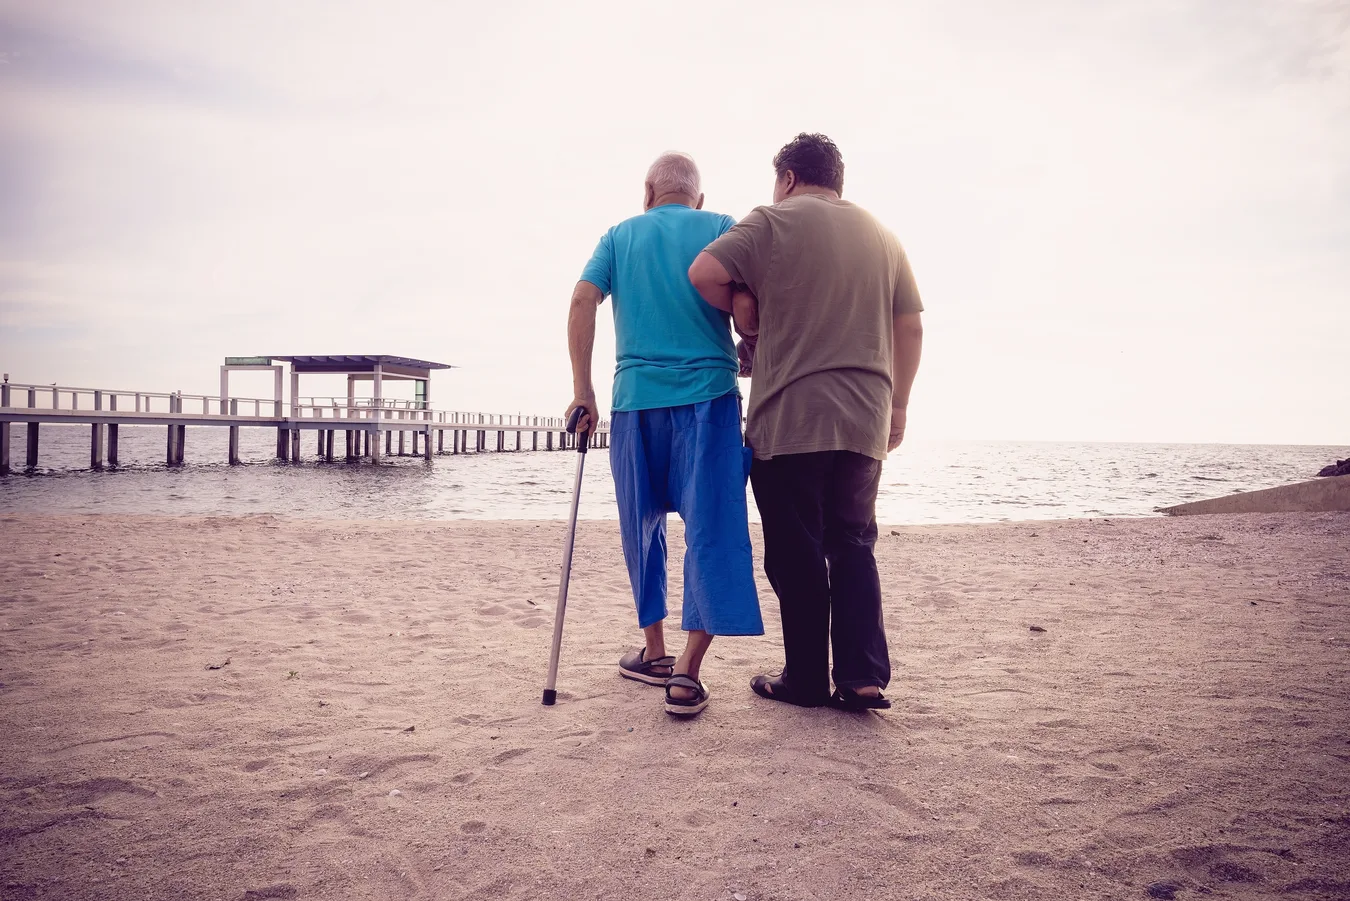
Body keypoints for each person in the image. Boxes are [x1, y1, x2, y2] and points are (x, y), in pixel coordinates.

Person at [688, 133, 924, 711]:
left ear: (788, 177)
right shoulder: (882, 233)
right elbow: (911, 326)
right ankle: (863, 678)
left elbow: (703, 272)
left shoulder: (773, 220)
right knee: (853, 544)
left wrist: (745, 304)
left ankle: (806, 680)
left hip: (791, 417)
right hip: (865, 416)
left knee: (795, 554)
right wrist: (899, 406)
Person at [566, 151, 763, 717]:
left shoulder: (619, 235)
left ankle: (653, 650)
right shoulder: (721, 226)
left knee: (641, 526)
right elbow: (746, 303)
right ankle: (685, 673)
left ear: (648, 193)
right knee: (713, 527)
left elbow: (583, 299)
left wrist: (584, 391)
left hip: (635, 404)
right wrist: (748, 346)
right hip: (707, 399)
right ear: (697, 198)